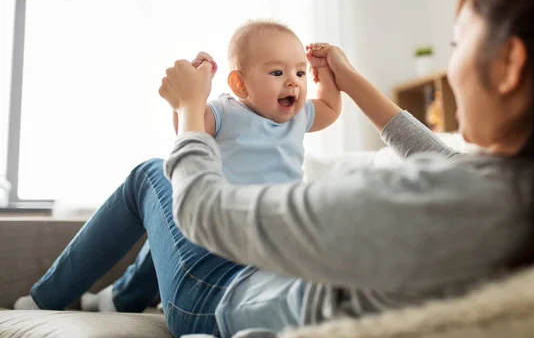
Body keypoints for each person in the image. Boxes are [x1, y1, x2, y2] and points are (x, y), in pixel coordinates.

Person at [15, 0, 534, 337]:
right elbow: (442, 160)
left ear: (509, 65)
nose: (450, 68)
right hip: (239, 270)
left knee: (151, 175)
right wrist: (349, 79)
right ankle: (118, 296)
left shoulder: (442, 206)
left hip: (217, 292)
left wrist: (190, 109)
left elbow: (201, 212)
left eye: (457, 43)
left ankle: (44, 297)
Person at [70, 20, 342, 314]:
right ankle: (119, 298)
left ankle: (119, 298)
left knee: (172, 225)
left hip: (272, 232)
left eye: (300, 72)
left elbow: (329, 107)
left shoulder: (298, 116)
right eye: (277, 72)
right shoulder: (227, 111)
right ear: (239, 84)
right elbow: (189, 127)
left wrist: (324, 72)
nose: (293, 82)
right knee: (172, 222)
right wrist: (190, 96)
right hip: (218, 225)